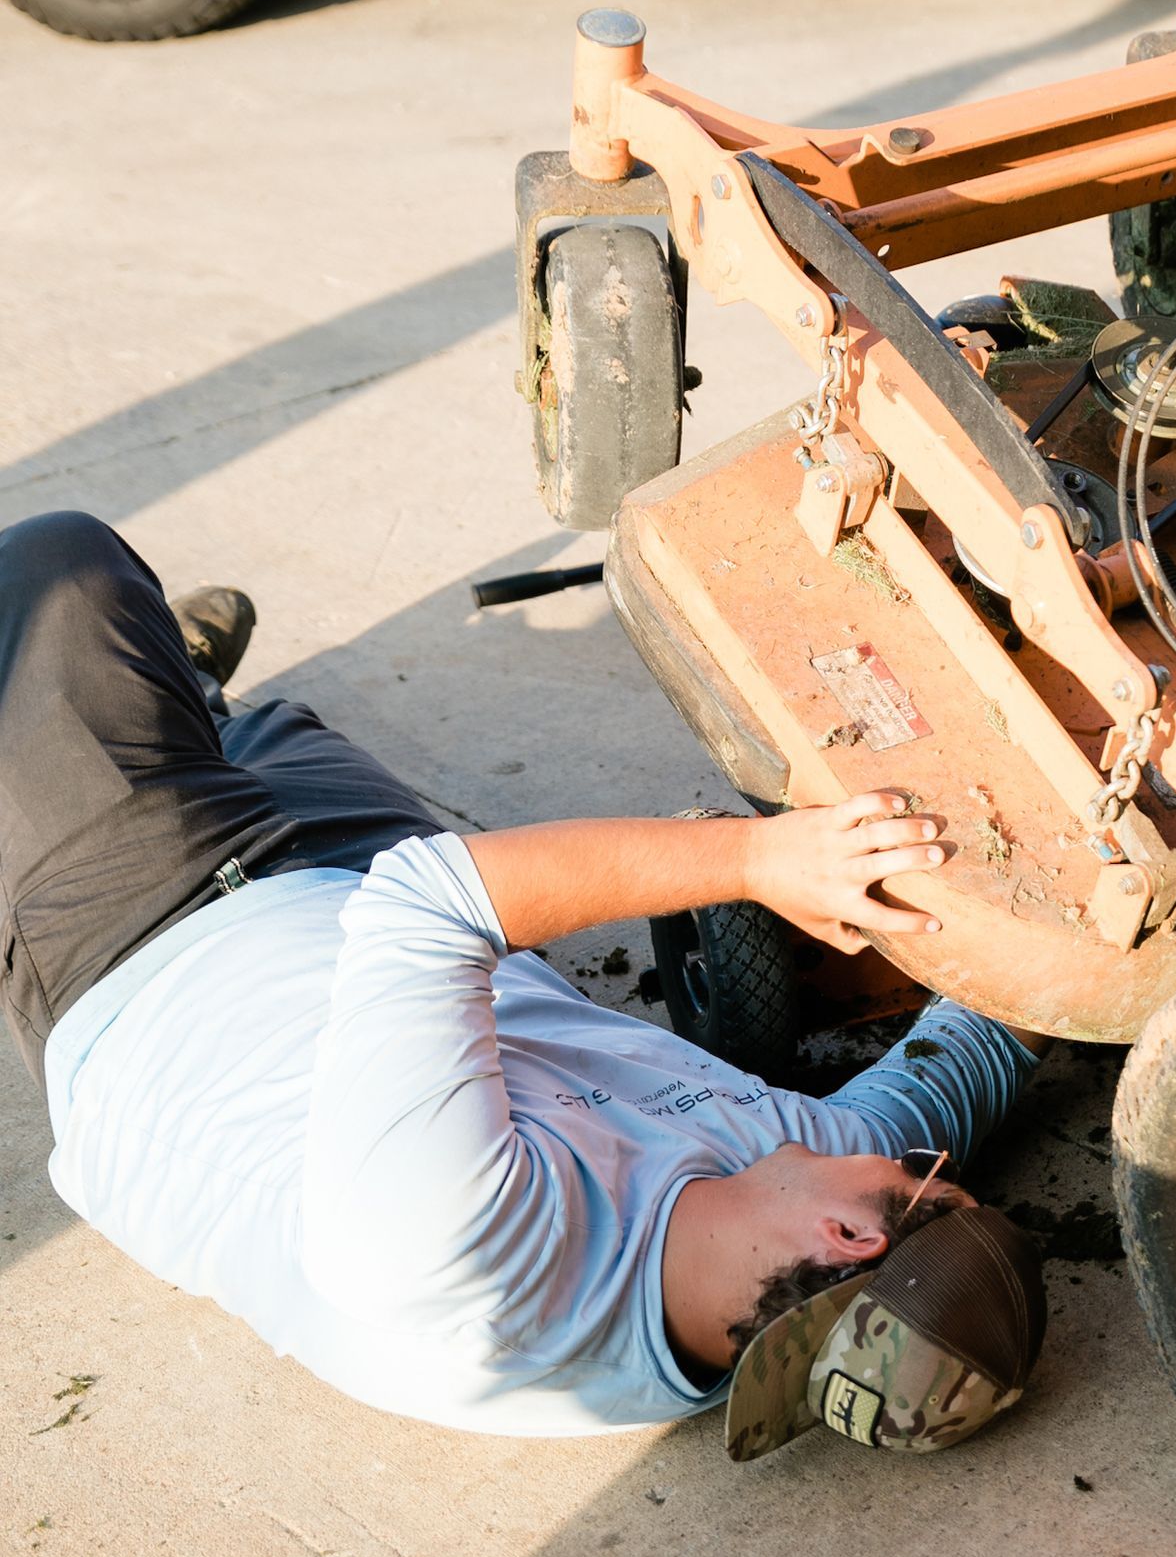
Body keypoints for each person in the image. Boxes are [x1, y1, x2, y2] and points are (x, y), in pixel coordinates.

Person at [0, 511, 1048, 1452]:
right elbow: (951, 1071)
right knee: (275, 736)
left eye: (924, 1174)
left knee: (63, 572)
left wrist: (761, 861)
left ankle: (86, 721)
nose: (907, 1151)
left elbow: (431, 904)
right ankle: (177, 705)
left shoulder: (458, 1263)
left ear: (851, 1235)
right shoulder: (770, 1260)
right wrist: (1070, 967)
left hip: (150, 953)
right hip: (346, 890)